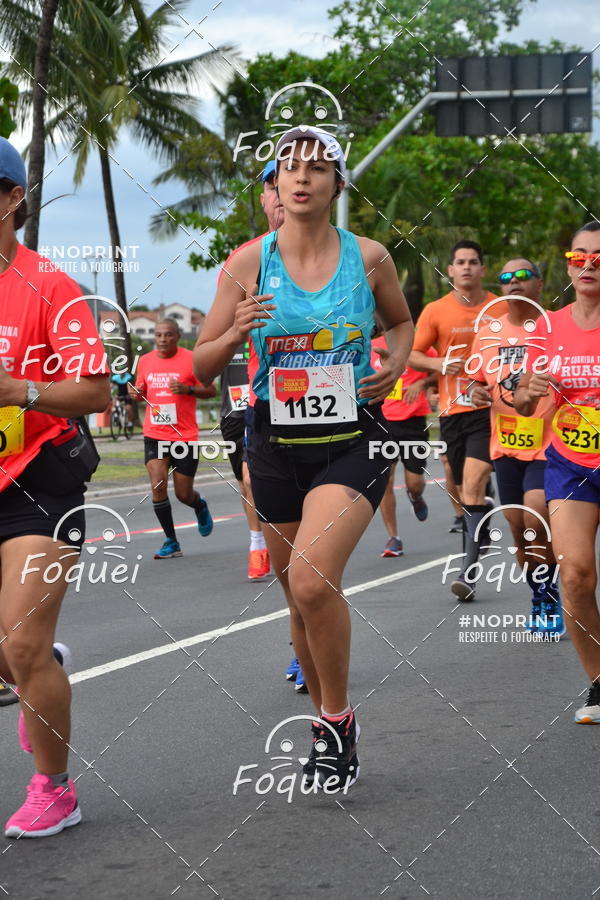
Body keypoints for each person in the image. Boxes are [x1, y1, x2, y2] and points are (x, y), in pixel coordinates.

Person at [194, 126, 414, 788]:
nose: (302, 177)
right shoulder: (246, 263)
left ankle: (339, 717)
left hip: (354, 438)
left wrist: (393, 365)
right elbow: (202, 367)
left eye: (317, 168)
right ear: (276, 185)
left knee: (314, 580)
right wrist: (234, 331)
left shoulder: (369, 257)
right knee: (297, 596)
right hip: (274, 443)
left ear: (337, 184)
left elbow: (399, 323)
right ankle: (325, 719)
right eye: (289, 167)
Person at [0, 138, 110, 837]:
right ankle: (31, 667)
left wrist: (22, 389)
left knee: (21, 640)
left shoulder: (51, 287)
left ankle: (56, 788)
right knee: (15, 650)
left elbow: (96, 388)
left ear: (13, 199)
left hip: (42, 475)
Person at [514, 223, 600, 721]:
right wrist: (525, 391)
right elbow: (527, 406)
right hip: (570, 463)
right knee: (576, 574)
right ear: (568, 264)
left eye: (599, 258)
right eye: (579, 255)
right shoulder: (547, 328)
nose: (588, 265)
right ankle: (599, 682)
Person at [409, 241, 508, 601]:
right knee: (458, 481)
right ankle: (479, 513)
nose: (466, 268)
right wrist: (437, 366)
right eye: (460, 262)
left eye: (473, 262)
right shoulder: (436, 310)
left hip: (492, 409)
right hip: (452, 411)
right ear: (450, 270)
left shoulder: (500, 307)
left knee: (473, 481)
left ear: (483, 269)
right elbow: (414, 354)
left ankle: (468, 572)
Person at [470, 258, 564, 635]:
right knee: (519, 533)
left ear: (539, 285)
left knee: (534, 513)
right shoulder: (488, 333)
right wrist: (475, 391)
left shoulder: (557, 329)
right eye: (505, 277)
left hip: (550, 442)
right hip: (505, 444)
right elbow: (476, 381)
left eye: (523, 275)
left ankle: (550, 594)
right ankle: (540, 591)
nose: (513, 282)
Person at [218, 161, 282, 581]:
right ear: (262, 198)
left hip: (320, 403)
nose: (281, 193)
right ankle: (257, 540)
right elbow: (212, 346)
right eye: (271, 186)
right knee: (247, 476)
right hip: (255, 398)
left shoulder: (346, 255)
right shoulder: (245, 261)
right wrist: (236, 328)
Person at [132, 318, 216, 559]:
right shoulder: (146, 361)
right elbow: (140, 391)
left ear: (178, 336)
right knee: (158, 485)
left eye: (168, 335)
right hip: (155, 434)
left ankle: (199, 505)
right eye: (158, 335)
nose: (162, 339)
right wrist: (136, 393)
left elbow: (211, 391)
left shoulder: (191, 359)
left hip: (184, 436)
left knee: (183, 494)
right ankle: (171, 541)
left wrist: (189, 389)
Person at [371, 332, 436, 557]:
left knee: (415, 482)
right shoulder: (371, 346)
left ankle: (415, 496)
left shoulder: (415, 344)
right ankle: (393, 538)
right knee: (385, 481)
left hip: (412, 422)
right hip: (380, 422)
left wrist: (422, 383)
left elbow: (438, 371)